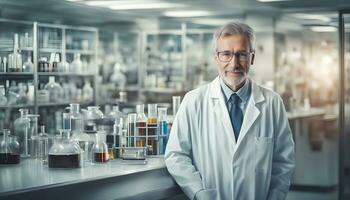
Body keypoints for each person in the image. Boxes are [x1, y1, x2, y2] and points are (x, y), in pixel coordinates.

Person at [164, 22, 295, 200]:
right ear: (216, 58)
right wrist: (199, 193)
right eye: (226, 54)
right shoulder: (193, 101)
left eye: (241, 54)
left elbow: (283, 163)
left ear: (252, 58)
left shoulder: (272, 103)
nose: (234, 64)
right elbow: (176, 154)